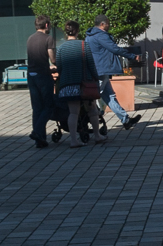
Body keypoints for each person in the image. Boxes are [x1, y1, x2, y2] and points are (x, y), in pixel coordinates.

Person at [85, 15, 142, 130]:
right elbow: (114, 48)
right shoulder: (100, 36)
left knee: (110, 96)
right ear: (102, 24)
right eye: (108, 23)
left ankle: (125, 120)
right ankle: (86, 120)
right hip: (101, 69)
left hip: (99, 69)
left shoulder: (90, 36)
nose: (109, 25)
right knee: (93, 96)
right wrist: (132, 56)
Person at [55, 21, 105, 147]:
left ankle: (73, 140)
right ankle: (97, 136)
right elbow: (91, 65)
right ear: (77, 31)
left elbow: (59, 67)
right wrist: (96, 78)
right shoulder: (84, 45)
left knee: (73, 112)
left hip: (68, 86)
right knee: (92, 110)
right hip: (84, 85)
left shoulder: (61, 48)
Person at [26, 14, 56, 148]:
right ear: (46, 25)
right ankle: (37, 131)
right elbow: (53, 59)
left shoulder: (30, 39)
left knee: (37, 108)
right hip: (43, 75)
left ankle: (40, 140)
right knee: (48, 106)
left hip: (31, 75)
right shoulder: (48, 38)